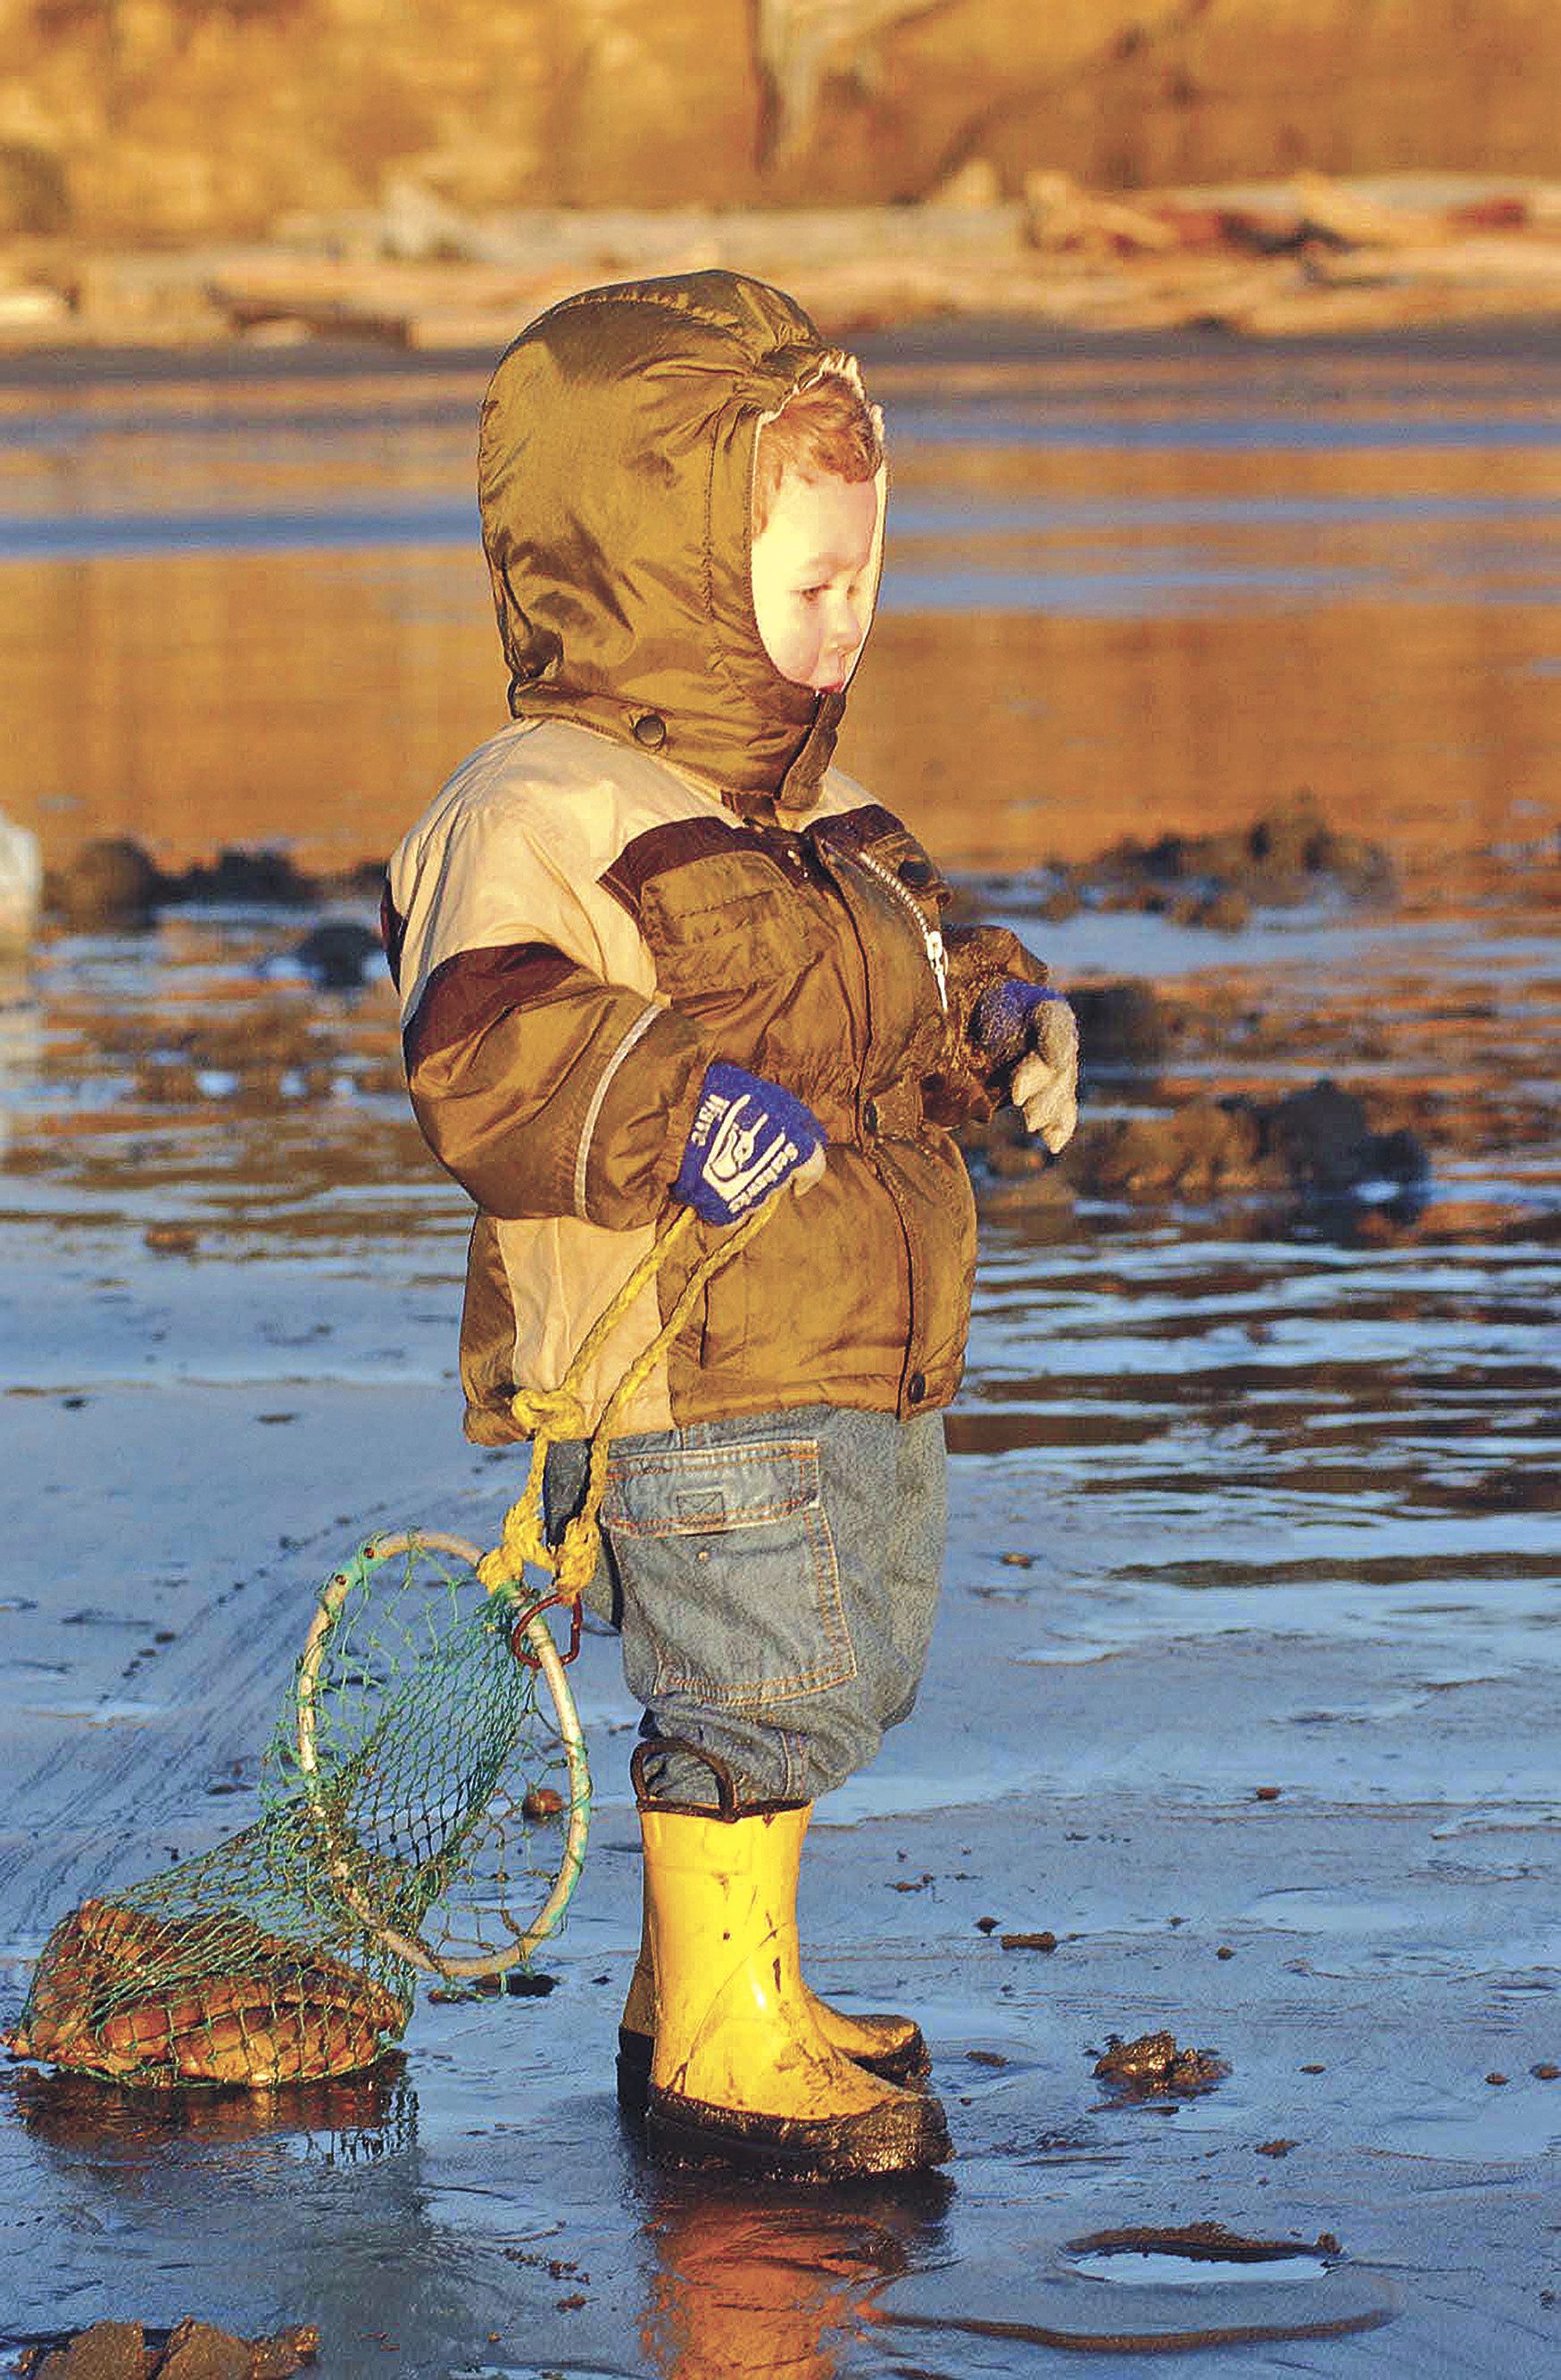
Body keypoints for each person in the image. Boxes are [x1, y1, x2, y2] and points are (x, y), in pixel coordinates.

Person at [383, 270, 1077, 2182]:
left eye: (864, 575)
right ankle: (719, 2028)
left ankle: (717, 1974)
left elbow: (913, 987)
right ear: (662, 567)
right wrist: (676, 1107)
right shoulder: (542, 802)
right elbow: (485, 1046)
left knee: (822, 1663)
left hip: (846, 1334)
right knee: (754, 1676)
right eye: (805, 580)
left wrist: (999, 1022)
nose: (847, 619)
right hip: (682, 1354)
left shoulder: (831, 812)